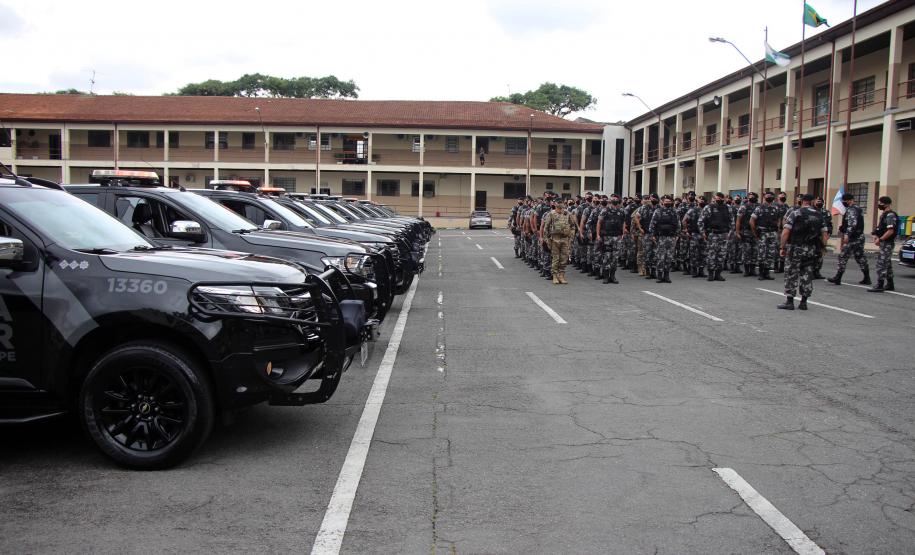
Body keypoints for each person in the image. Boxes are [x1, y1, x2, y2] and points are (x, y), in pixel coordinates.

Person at [778, 194, 828, 310]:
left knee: (791, 273)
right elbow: (824, 234)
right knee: (807, 274)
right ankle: (804, 302)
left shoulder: (796, 213)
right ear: (812, 201)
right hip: (811, 249)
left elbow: (786, 231)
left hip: (796, 248)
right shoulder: (819, 215)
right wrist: (822, 248)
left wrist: (782, 247)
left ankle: (789, 301)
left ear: (803, 201)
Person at [827, 193, 871, 285]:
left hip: (853, 238)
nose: (843, 203)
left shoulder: (852, 210)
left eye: (844, 201)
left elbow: (852, 223)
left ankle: (838, 277)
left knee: (843, 256)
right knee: (860, 257)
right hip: (859, 237)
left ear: (849, 200)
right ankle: (867, 277)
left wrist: (847, 235)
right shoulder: (858, 209)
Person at [698, 192, 732, 281]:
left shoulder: (727, 208)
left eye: (721, 198)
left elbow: (731, 221)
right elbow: (700, 221)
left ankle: (718, 274)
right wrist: (703, 233)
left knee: (722, 255)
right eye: (717, 198)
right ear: (714, 198)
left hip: (724, 234)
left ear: (724, 199)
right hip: (712, 234)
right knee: (711, 255)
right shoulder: (709, 207)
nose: (719, 200)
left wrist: (730, 233)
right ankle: (710, 274)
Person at [868, 196, 898, 293]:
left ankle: (880, 284)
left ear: (886, 204)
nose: (879, 205)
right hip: (884, 242)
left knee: (881, 263)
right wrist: (875, 235)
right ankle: (890, 284)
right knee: (887, 264)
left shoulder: (890, 215)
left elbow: (890, 231)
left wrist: (880, 239)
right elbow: (881, 228)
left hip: (887, 243)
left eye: (880, 203)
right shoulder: (884, 215)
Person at [542, 199, 576, 284]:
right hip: (555, 239)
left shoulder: (567, 213)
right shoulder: (551, 214)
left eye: (561, 203)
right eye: (558, 203)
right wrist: (546, 239)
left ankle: (561, 275)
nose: (560, 205)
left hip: (565, 239)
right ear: (555, 204)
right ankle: (555, 276)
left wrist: (571, 237)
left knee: (564, 258)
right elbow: (546, 227)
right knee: (555, 258)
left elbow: (572, 226)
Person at [649, 194, 680, 283]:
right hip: (661, 237)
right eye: (666, 201)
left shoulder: (675, 212)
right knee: (660, 257)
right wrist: (653, 235)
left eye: (669, 202)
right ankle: (659, 275)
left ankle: (666, 275)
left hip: (671, 237)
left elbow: (678, 225)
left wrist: (676, 236)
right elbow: (652, 224)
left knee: (669, 257)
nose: (668, 203)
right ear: (662, 202)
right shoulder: (658, 211)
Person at [596, 194, 627, 284]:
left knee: (615, 257)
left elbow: (624, 222)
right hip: (607, 237)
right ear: (610, 201)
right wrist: (598, 234)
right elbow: (599, 222)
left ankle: (612, 276)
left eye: (616, 199)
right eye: (612, 199)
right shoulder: (605, 210)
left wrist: (623, 233)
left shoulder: (621, 211)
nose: (614, 200)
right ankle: (606, 277)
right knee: (607, 256)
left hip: (617, 237)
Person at [749, 192, 779, 281]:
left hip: (772, 233)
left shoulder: (775, 208)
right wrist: (755, 232)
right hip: (763, 233)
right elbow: (752, 220)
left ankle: (767, 272)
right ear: (764, 197)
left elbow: (778, 220)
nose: (769, 197)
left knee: (771, 253)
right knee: (762, 253)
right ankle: (761, 273)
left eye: (771, 196)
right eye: (767, 196)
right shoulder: (760, 208)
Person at [735, 192, 759, 276]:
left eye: (753, 196)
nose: (751, 198)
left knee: (755, 251)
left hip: (756, 232)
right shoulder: (744, 207)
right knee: (746, 251)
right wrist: (737, 232)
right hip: (746, 232)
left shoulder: (759, 207)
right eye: (750, 197)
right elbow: (738, 220)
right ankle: (746, 270)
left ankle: (753, 270)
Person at [684, 197, 707, 278]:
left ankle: (701, 271)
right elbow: (684, 220)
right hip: (695, 234)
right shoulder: (693, 210)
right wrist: (686, 231)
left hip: (704, 234)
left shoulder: (707, 210)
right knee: (694, 253)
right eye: (701, 200)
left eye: (703, 200)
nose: (702, 201)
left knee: (703, 253)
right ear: (697, 202)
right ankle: (694, 270)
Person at [812, 196, 833, 279]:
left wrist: (829, 234)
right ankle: (810, 271)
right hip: (813, 236)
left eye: (821, 201)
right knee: (811, 253)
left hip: (822, 236)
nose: (819, 202)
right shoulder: (811, 211)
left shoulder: (826, 212)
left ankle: (817, 271)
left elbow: (829, 224)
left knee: (820, 253)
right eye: (818, 201)